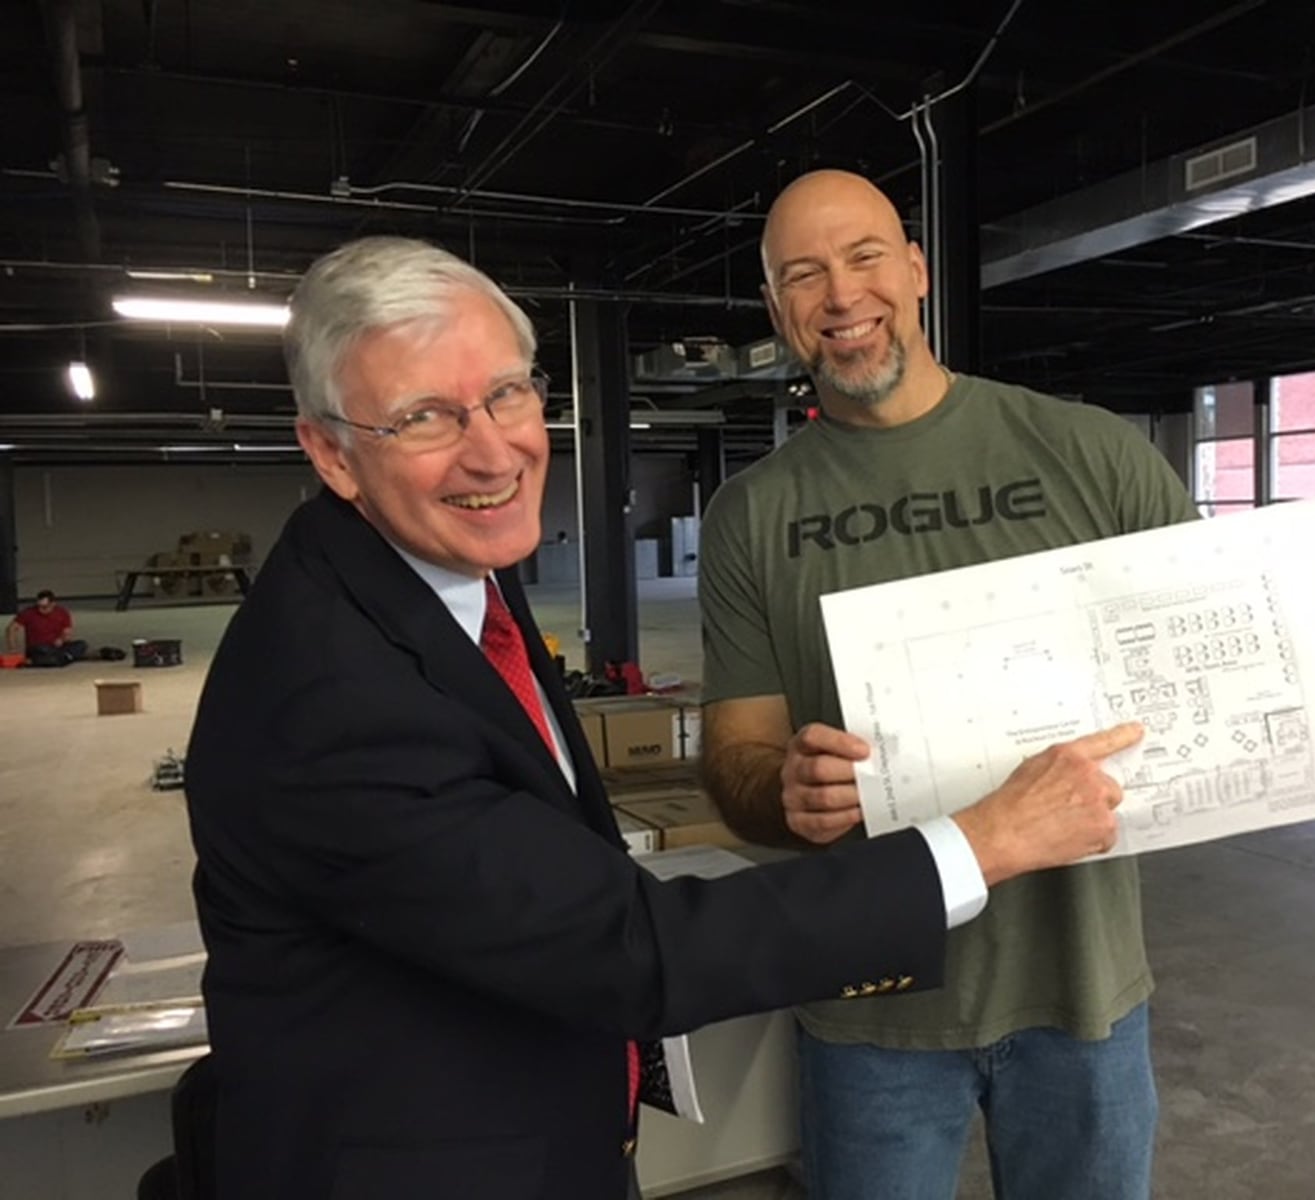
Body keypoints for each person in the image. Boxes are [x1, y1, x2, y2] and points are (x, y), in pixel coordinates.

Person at [183, 235, 1148, 1200]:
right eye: (425, 416)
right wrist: (981, 842)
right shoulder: (326, 697)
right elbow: (633, 946)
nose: (493, 449)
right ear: (332, 452)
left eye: (508, 393)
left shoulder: (448, 571)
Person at [696, 169, 1315, 1200]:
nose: (840, 295)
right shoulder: (750, 516)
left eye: (865, 256)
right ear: (775, 309)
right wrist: (784, 792)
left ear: (916, 271)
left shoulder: (1088, 452)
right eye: (803, 274)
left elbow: (1227, 669)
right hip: (870, 1006)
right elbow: (736, 759)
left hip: (1082, 994)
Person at [6, 589, 88, 666]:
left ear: (53, 604)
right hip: (38, 648)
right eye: (39, 606)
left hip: (56, 647)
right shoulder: (28, 612)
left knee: (81, 644)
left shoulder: (62, 612)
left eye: (44, 607)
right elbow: (11, 628)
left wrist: (61, 639)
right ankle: (64, 658)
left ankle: (57, 659)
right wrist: (13, 648)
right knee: (44, 651)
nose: (41, 609)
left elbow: (67, 632)